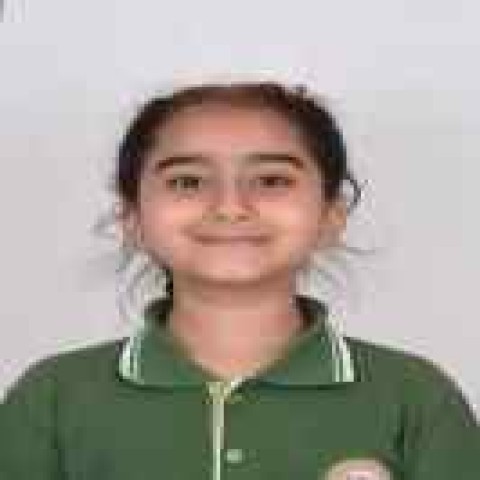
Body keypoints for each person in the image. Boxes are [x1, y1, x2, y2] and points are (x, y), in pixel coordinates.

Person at [0, 81, 478, 480]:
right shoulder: (51, 399)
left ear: (331, 216)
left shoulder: (416, 398)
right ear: (133, 219)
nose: (230, 207)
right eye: (188, 182)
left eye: (272, 180)